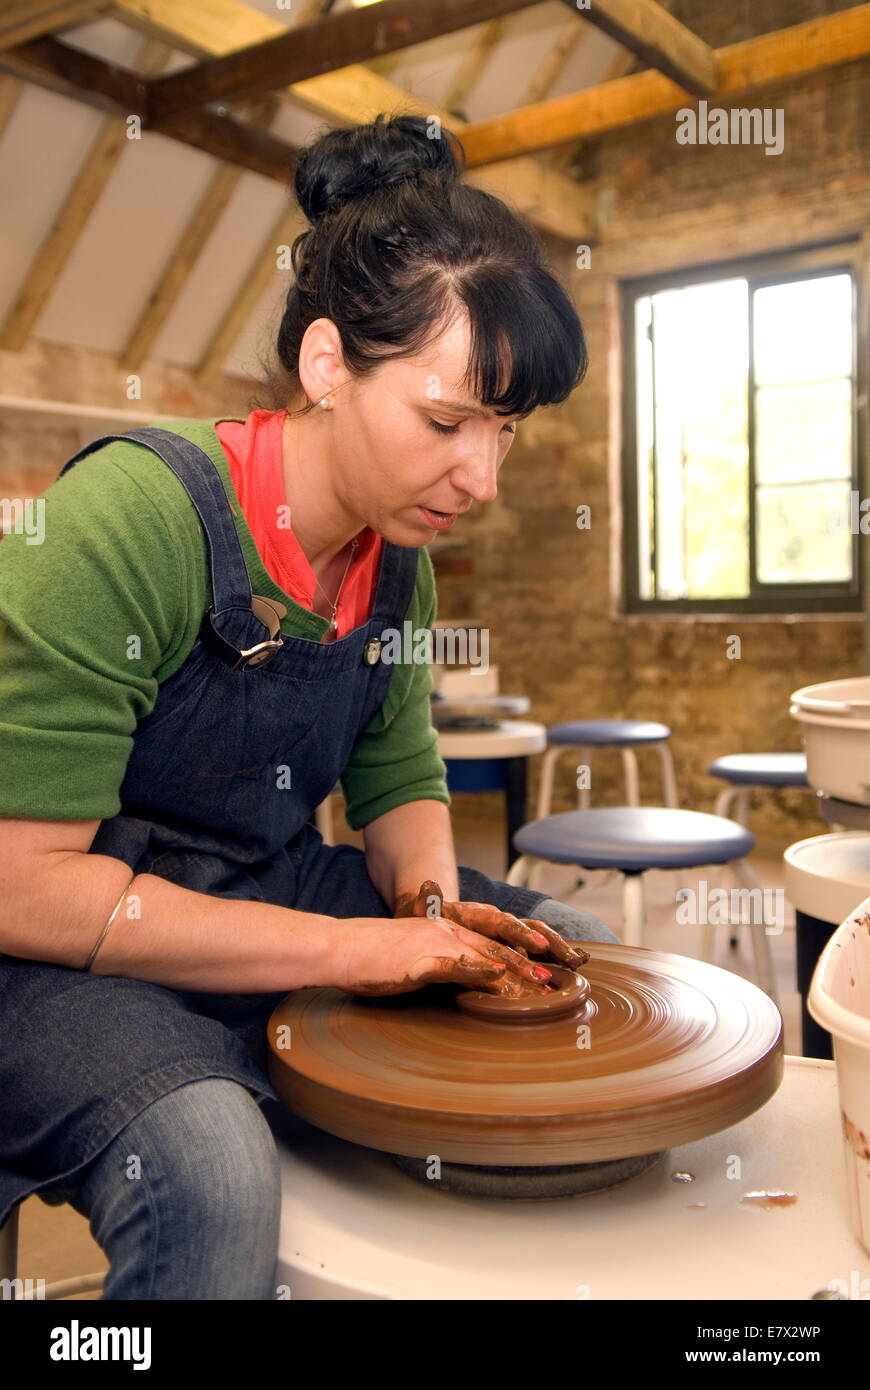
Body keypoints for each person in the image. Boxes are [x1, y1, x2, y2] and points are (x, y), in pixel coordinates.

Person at [0, 114, 619, 1300]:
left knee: (568, 959)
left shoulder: (396, 553)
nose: (480, 478)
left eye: (504, 431)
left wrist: (435, 918)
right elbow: (22, 882)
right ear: (327, 363)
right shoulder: (135, 518)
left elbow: (397, 775)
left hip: (260, 891)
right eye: (446, 422)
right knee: (214, 1174)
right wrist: (362, 949)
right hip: (51, 957)